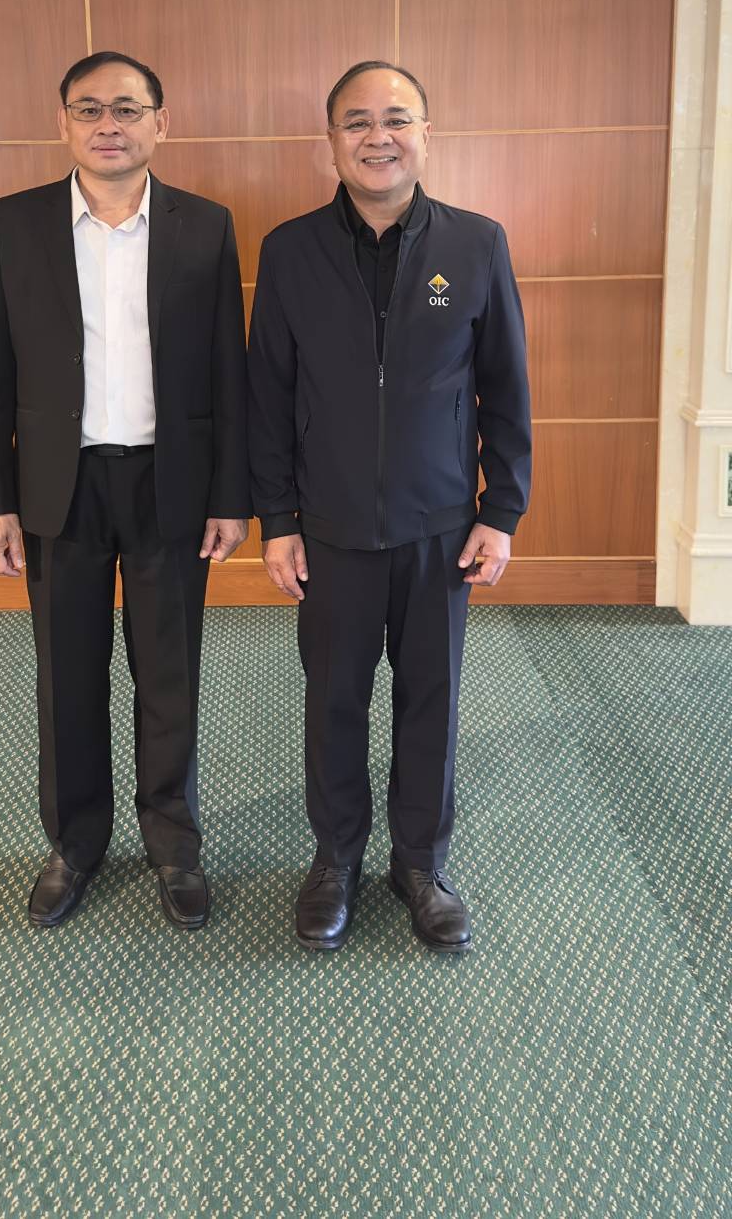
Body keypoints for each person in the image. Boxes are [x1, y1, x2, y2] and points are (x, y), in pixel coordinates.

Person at [247, 60, 531, 954]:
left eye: (397, 119)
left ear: (426, 134)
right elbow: (268, 396)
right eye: (358, 122)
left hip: (439, 528)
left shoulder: (476, 245)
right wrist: (278, 521)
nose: (379, 138)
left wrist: (501, 511)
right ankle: (334, 860)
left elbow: (505, 389)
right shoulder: (290, 250)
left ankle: (420, 865)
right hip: (329, 531)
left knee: (430, 703)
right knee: (334, 701)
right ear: (331, 139)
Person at [0, 51, 249, 931]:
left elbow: (229, 373)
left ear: (161, 122)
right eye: (88, 109)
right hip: (61, 486)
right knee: (68, 677)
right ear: (64, 123)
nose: (108, 125)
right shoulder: (16, 222)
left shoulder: (206, 225)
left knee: (169, 675)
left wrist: (230, 495)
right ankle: (75, 843)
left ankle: (174, 845)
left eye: (127, 108)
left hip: (173, 483)